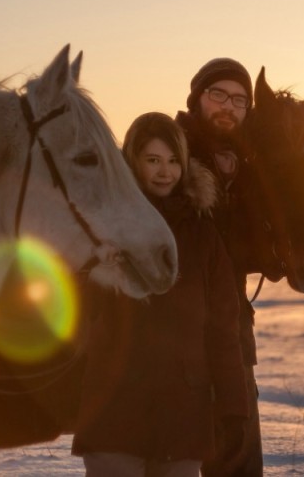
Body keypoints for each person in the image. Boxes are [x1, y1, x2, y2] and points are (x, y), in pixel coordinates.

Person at [71, 112, 249, 476]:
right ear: (132, 163)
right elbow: (70, 312)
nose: (165, 171)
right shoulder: (102, 227)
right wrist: (95, 275)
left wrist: (232, 408)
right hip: (113, 413)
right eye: (152, 160)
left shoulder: (203, 236)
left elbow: (223, 329)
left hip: (183, 414)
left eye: (172, 161)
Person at [175, 58, 263, 476]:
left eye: (240, 100)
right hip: (174, 337)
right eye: (219, 95)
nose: (229, 106)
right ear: (198, 98)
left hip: (234, 333)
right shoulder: (168, 152)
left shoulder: (253, 168)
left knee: (239, 455)